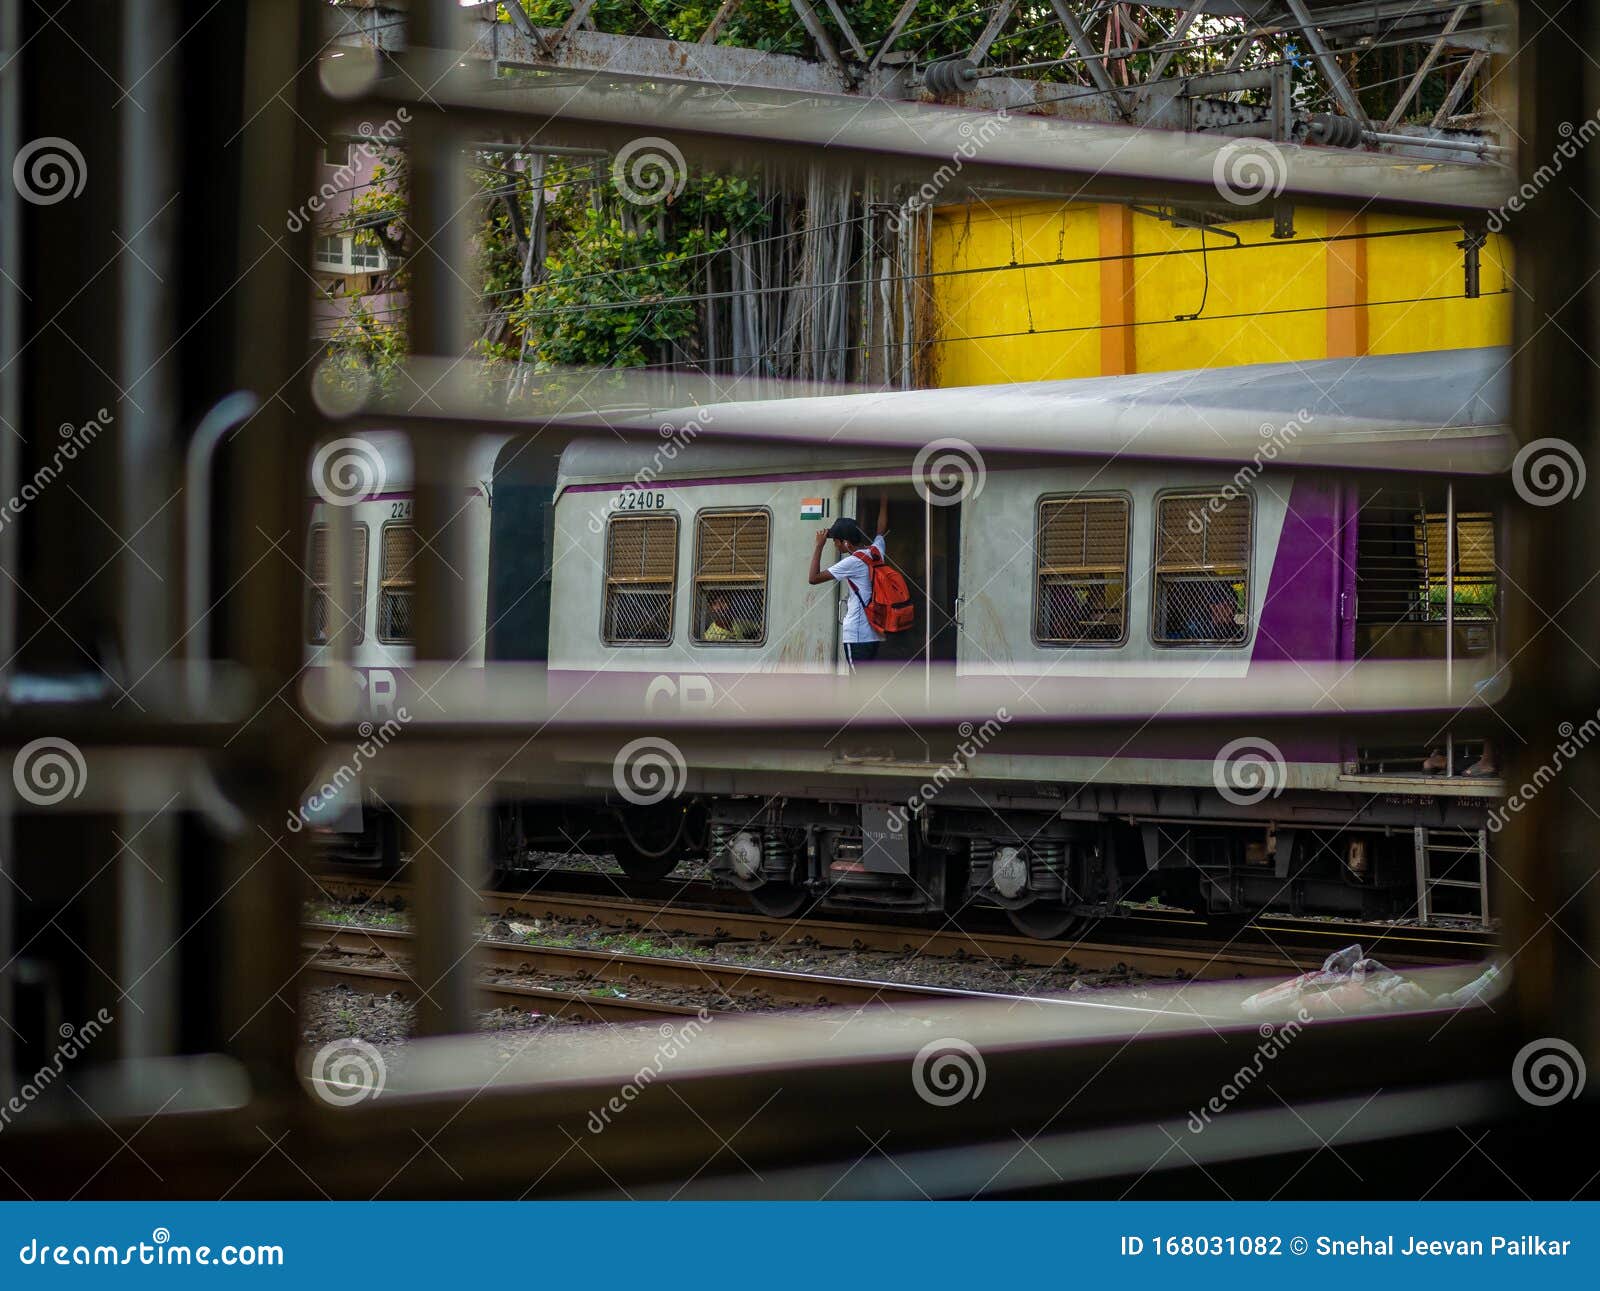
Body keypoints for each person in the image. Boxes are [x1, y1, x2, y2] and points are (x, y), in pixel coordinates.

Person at [808, 492, 890, 671]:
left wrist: (818, 546)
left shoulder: (852, 562)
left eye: (836, 541)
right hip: (874, 634)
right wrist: (884, 500)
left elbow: (813, 578)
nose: (835, 545)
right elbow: (881, 531)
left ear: (845, 543)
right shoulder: (876, 552)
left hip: (857, 636)